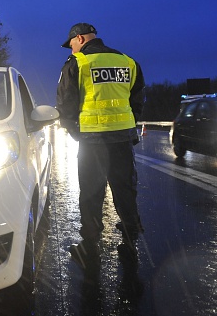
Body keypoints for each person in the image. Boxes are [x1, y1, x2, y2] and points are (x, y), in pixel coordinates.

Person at [56, 22, 145, 269]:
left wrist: (76, 132)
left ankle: (90, 246)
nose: (71, 49)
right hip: (122, 140)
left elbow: (65, 104)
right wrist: (127, 125)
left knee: (92, 193)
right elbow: (136, 99)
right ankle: (130, 241)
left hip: (92, 141)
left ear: (81, 39)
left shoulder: (78, 63)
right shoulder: (128, 62)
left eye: (71, 44)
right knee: (125, 189)